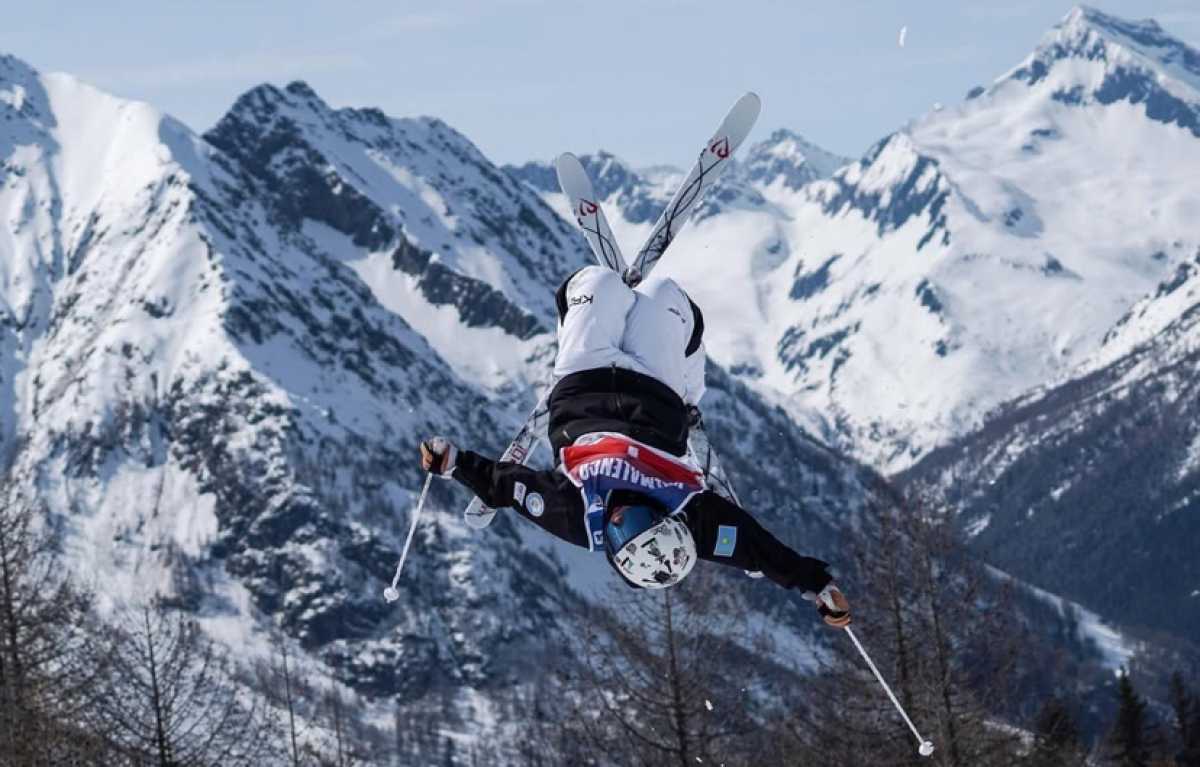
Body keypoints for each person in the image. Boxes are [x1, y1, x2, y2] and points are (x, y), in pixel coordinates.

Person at [420, 265, 850, 627]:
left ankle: (596, 308)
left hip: (582, 380)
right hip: (656, 388)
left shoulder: (576, 518)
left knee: (593, 283)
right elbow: (759, 550)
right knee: (667, 296)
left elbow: (508, 486)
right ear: (664, 519)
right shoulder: (692, 520)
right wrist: (817, 586)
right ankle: (686, 383)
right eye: (640, 520)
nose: (622, 516)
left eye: (620, 532)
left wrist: (452, 463)